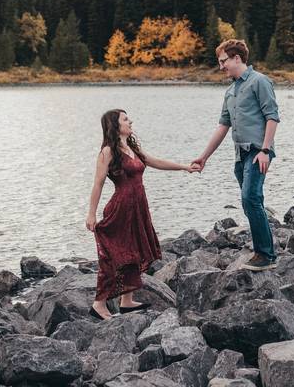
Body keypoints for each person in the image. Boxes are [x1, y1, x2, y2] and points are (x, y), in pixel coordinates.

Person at [85, 109, 198, 320]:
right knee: (114, 256)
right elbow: (98, 184)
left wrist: (185, 167)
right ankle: (99, 304)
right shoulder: (107, 152)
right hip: (120, 209)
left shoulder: (132, 148)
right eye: (125, 119)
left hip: (138, 208)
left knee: (134, 251)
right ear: (114, 125)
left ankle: (126, 301)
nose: (130, 122)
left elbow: (157, 162)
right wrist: (91, 214)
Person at [193, 39, 280, 271]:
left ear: (237, 58)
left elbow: (272, 117)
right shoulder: (230, 91)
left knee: (250, 199)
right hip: (240, 155)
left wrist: (265, 150)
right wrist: (204, 157)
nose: (221, 67)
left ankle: (265, 256)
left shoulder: (259, 81)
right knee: (252, 201)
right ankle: (265, 250)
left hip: (257, 151)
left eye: (223, 61)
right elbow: (223, 126)